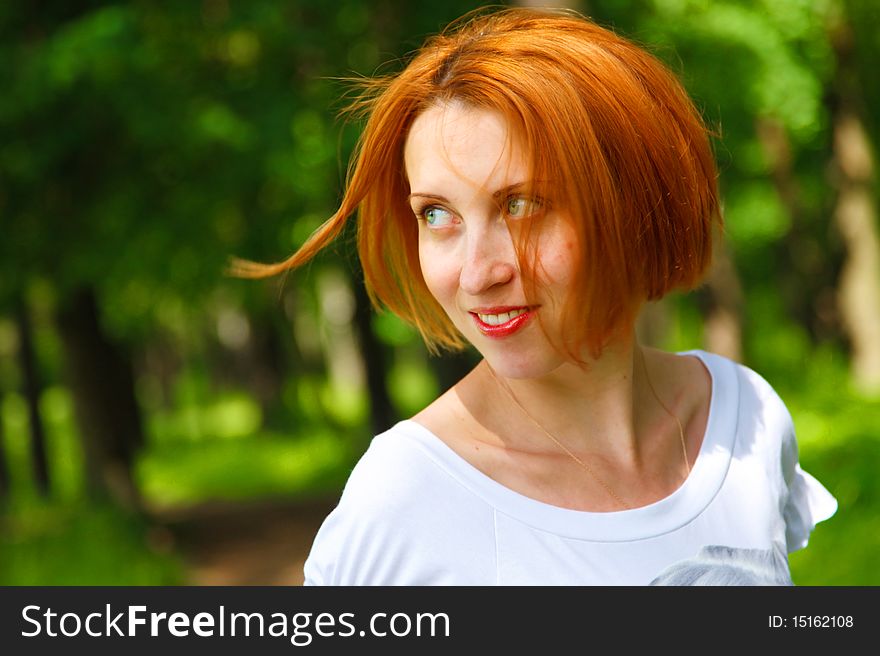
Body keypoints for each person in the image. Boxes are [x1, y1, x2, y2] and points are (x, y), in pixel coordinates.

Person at [235, 7, 837, 585]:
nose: (476, 274)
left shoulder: (745, 419)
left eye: (520, 205)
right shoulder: (405, 500)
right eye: (437, 214)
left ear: (634, 203)